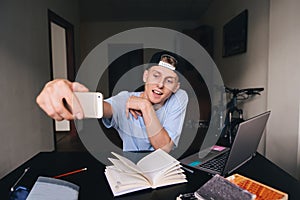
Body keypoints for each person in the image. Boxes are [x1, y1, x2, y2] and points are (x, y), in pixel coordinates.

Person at [36, 52, 188, 152]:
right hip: (133, 170)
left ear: (176, 87)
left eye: (169, 81)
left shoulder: (179, 97)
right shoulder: (125, 99)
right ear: (145, 76)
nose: (160, 85)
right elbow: (100, 107)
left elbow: (164, 148)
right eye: (156, 76)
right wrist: (62, 95)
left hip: (167, 171)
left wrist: (145, 106)